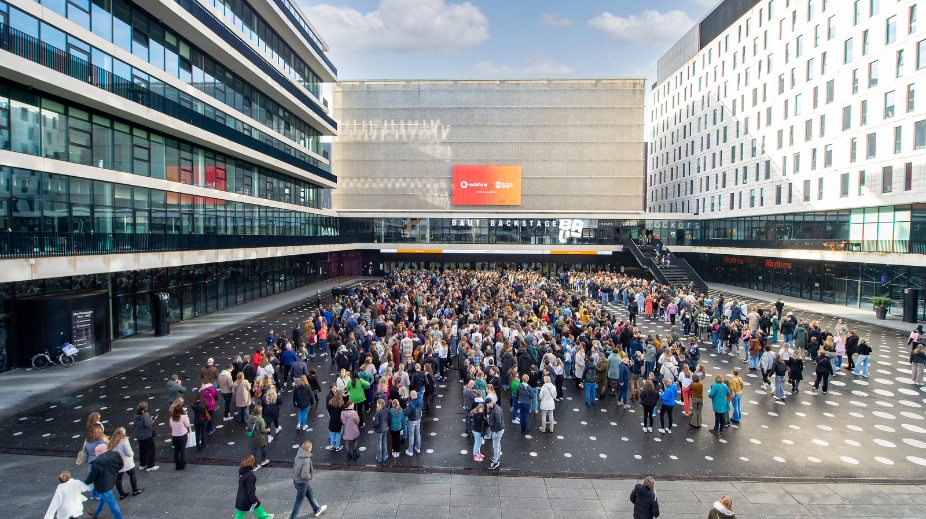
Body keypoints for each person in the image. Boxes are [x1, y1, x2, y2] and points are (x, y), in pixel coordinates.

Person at [85, 443, 123, 519]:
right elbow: (121, 465)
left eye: (96, 451)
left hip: (102, 486)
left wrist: (84, 484)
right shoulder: (115, 454)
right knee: (104, 499)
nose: (94, 452)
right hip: (111, 481)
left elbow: (91, 477)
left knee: (112, 503)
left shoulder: (96, 464)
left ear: (101, 451)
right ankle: (96, 513)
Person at [289, 441, 327, 519]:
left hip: (296, 480)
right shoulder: (306, 460)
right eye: (311, 447)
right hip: (302, 483)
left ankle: (317, 509)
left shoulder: (298, 455)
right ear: (309, 449)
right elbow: (305, 475)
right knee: (298, 502)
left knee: (310, 494)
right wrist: (310, 477)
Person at [108, 427, 142, 499]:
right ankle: (135, 490)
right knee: (132, 474)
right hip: (126, 462)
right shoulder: (124, 440)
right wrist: (132, 454)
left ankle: (121, 494)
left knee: (119, 479)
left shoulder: (111, 442)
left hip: (117, 463)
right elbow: (129, 452)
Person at [133, 401, 158, 472]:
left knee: (142, 450)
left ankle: (142, 464)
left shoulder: (136, 414)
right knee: (151, 449)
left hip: (139, 435)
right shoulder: (146, 414)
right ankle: (151, 465)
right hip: (147, 435)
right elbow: (147, 424)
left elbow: (135, 424)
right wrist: (153, 420)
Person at [169, 404, 190, 470]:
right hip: (182, 435)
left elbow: (171, 426)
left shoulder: (171, 418)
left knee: (176, 451)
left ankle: (177, 465)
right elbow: (187, 425)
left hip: (175, 436)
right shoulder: (183, 417)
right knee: (182, 450)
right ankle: (182, 464)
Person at [486, 398, 505, 470]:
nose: (487, 406)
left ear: (490, 403)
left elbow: (498, 421)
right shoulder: (494, 408)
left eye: (488, 405)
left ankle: (495, 461)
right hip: (498, 430)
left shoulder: (496, 410)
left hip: (497, 430)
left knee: (495, 445)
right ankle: (497, 457)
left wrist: (495, 431)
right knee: (498, 443)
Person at [405, 389, 424, 455]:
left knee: (411, 435)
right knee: (418, 433)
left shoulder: (411, 404)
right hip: (418, 419)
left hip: (411, 420)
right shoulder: (421, 401)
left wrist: (407, 408)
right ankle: (418, 448)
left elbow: (408, 413)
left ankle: (410, 450)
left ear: (412, 396)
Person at [371, 398, 389, 463]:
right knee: (384, 442)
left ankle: (379, 458)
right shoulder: (387, 410)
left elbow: (376, 423)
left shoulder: (377, 413)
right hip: (385, 428)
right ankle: (384, 456)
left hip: (379, 429)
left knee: (379, 443)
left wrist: (373, 421)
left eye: (377, 403)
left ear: (379, 404)